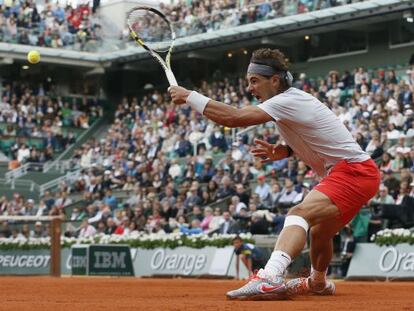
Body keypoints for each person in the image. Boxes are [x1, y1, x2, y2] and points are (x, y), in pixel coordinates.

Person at [169, 48, 380, 300]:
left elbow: (234, 118)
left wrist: (190, 96)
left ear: (275, 80)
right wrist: (286, 151)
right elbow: (319, 135)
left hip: (353, 172)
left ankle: (270, 277)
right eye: (248, 82)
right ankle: (318, 283)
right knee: (319, 232)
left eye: (254, 81)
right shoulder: (291, 102)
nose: (250, 88)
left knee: (298, 214)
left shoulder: (287, 100)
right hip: (356, 172)